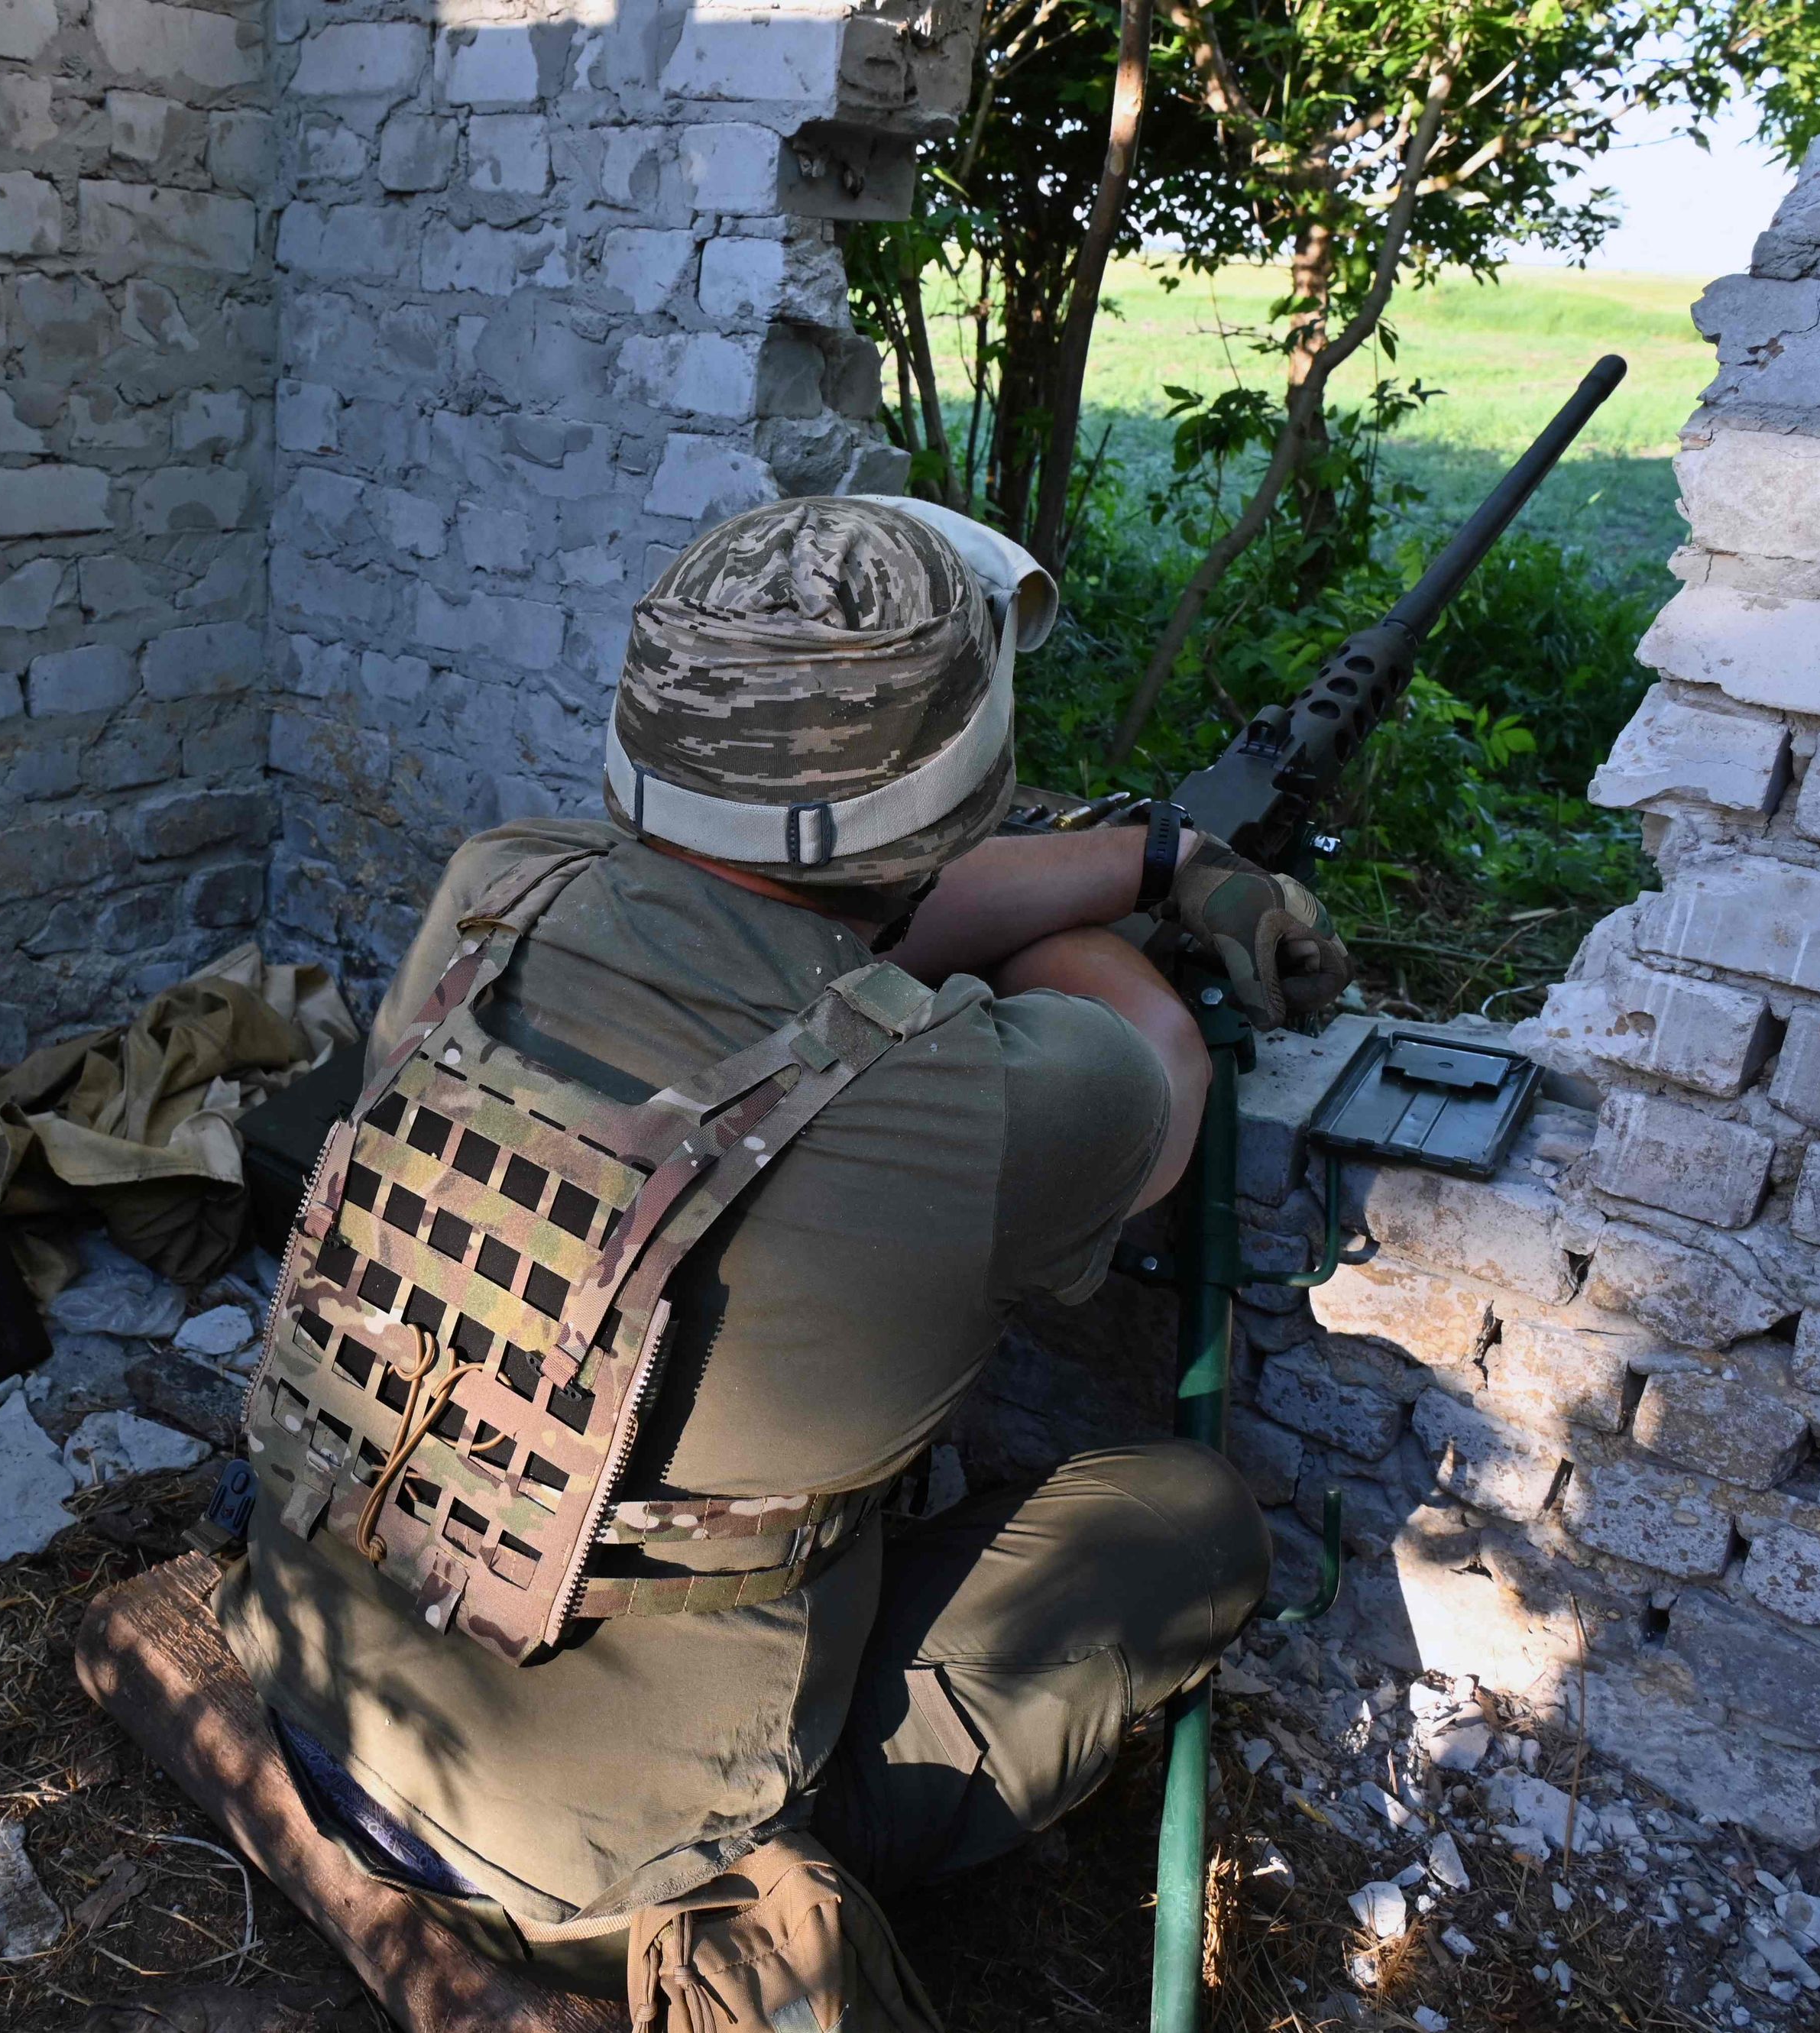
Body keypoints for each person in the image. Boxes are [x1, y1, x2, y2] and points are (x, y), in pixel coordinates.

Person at [212, 496, 1350, 2004]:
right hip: (589, 1874)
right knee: (1184, 1522)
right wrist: (1154, 892)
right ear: (958, 794)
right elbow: (1134, 1061)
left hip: (315, 1683)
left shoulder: (496, 887)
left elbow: (819, 925)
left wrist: (1150, 851)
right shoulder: (1004, 1102)